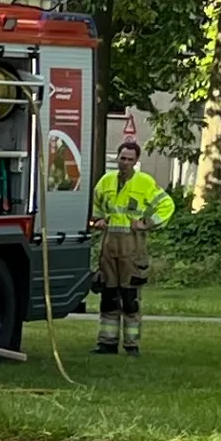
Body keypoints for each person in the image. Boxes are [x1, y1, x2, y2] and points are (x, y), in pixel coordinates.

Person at [89, 138, 174, 354]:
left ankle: (131, 345)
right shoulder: (106, 182)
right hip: (109, 246)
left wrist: (147, 223)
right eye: (122, 158)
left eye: (129, 159)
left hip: (132, 247)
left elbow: (167, 205)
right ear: (117, 158)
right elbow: (95, 205)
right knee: (109, 297)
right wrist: (97, 221)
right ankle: (107, 343)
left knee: (130, 299)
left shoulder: (144, 182)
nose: (125, 163)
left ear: (136, 161)